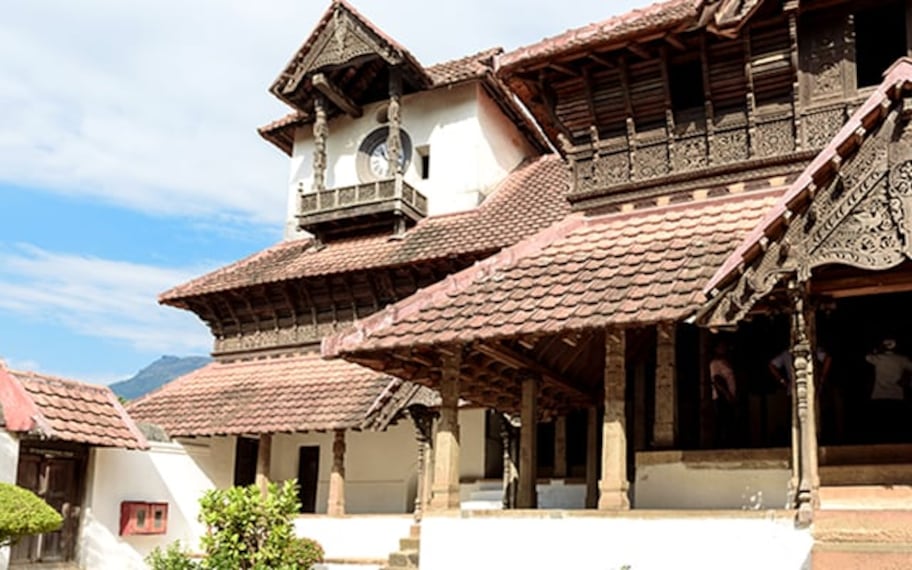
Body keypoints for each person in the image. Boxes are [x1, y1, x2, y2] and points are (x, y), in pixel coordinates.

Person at [864, 338, 912, 442]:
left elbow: (867, 356)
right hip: (897, 396)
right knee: (895, 424)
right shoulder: (902, 359)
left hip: (879, 395)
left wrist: (877, 349)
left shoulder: (878, 358)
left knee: (881, 423)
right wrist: (907, 379)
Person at [709, 343, 738, 447]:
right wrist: (727, 394)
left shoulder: (725, 362)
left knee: (728, 421)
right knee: (723, 421)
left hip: (729, 395)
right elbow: (717, 380)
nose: (724, 348)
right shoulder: (715, 363)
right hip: (722, 396)